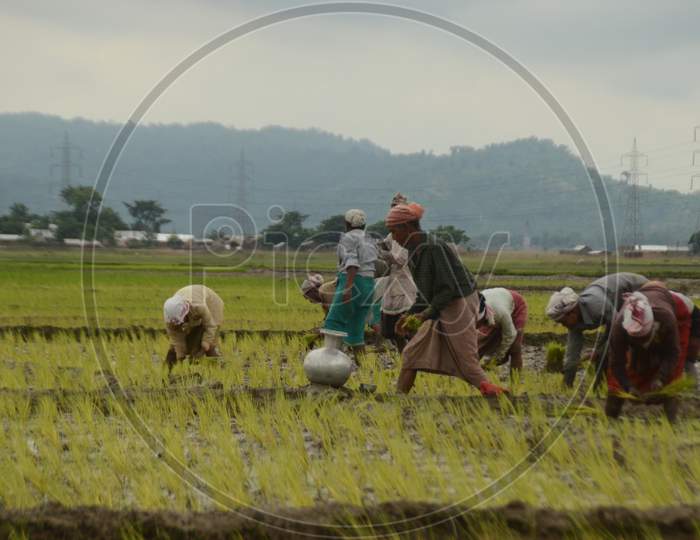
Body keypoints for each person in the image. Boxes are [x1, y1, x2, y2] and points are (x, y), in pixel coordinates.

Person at [385, 202, 506, 396]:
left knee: (465, 359)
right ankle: (399, 399)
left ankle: (493, 392)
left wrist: (423, 315)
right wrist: (410, 314)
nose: (392, 237)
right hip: (440, 305)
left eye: (393, 231)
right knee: (411, 353)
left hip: (459, 302)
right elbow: (425, 293)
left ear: (406, 228)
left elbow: (448, 288)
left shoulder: (432, 247)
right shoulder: (414, 250)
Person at [606, 281, 690, 422]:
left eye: (643, 337)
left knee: (673, 376)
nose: (641, 342)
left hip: (675, 307)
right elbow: (616, 362)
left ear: (651, 327)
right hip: (649, 299)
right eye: (636, 339)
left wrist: (660, 378)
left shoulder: (666, 318)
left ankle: (672, 424)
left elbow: (673, 353)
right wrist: (628, 387)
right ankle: (611, 420)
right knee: (617, 380)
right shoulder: (619, 327)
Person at [545, 273, 648, 387]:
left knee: (630, 343)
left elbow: (619, 331)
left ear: (572, 312)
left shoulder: (598, 306)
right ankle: (600, 386)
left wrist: (598, 352)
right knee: (604, 350)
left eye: (563, 322)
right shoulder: (574, 323)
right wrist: (567, 382)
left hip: (638, 288)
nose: (563, 325)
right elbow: (572, 353)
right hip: (615, 307)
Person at [322, 209, 378, 353]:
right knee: (356, 330)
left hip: (353, 282)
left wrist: (347, 287)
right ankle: (364, 367)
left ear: (347, 224)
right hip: (368, 285)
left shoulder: (348, 238)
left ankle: (329, 364)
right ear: (364, 225)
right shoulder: (370, 239)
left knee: (333, 323)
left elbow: (352, 264)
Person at [376, 192, 418, 352]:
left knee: (408, 327)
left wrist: (386, 255)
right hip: (391, 284)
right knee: (390, 331)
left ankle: (415, 356)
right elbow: (387, 249)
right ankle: (404, 356)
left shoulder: (410, 234)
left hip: (406, 284)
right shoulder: (390, 235)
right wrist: (381, 249)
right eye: (393, 208)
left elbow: (401, 260)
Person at [163, 284, 224, 369]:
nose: (180, 325)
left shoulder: (198, 307)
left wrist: (206, 342)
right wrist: (180, 356)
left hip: (212, 303)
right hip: (189, 296)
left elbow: (211, 326)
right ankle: (167, 370)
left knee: (208, 344)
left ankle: (220, 369)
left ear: (186, 313)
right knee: (178, 346)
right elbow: (177, 339)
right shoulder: (170, 317)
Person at [477, 288, 529, 373]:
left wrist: (498, 357)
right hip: (494, 301)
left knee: (515, 348)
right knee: (480, 344)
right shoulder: (470, 312)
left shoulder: (501, 313)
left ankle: (515, 383)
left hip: (516, 305)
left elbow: (510, 335)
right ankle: (472, 377)